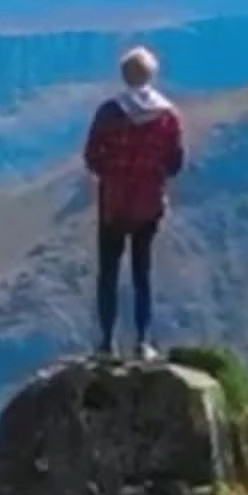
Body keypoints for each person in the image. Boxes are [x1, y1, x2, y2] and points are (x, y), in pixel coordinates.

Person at [83, 45, 185, 358]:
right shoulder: (168, 116)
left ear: (123, 75)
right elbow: (176, 161)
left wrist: (111, 175)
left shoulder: (109, 112)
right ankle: (142, 341)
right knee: (142, 271)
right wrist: (153, 178)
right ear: (152, 74)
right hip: (148, 204)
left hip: (113, 203)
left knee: (109, 272)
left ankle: (106, 343)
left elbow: (92, 155)